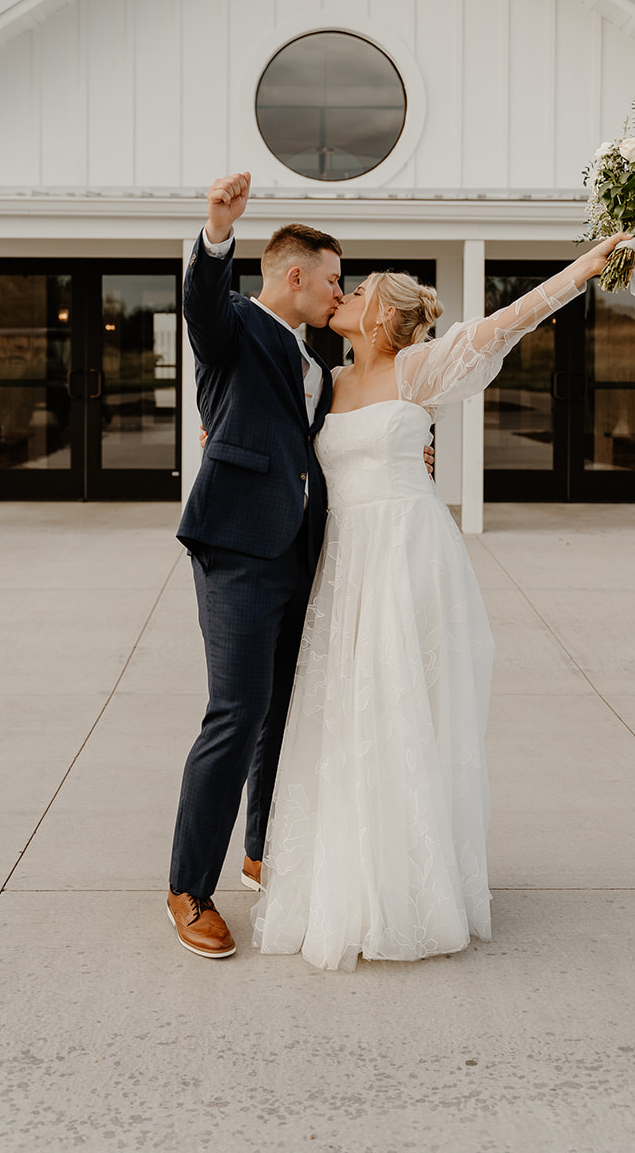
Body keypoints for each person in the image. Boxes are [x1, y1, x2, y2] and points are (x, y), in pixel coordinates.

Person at [253, 233, 633, 971]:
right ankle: (348, 876)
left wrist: (585, 269)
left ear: (381, 316)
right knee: (344, 708)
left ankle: (411, 885)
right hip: (347, 559)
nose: (343, 294)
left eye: (356, 291)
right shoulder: (323, 383)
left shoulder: (419, 368)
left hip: (408, 553)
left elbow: (512, 319)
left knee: (403, 706)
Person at [166, 171, 437, 959]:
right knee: (236, 711)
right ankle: (188, 886)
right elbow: (202, 311)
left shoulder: (318, 362)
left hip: (308, 553)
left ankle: (261, 852)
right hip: (238, 549)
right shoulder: (235, 327)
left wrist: (407, 440)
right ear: (294, 275)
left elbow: (332, 438)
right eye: (332, 279)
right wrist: (218, 230)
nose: (338, 292)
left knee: (282, 712)